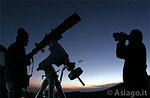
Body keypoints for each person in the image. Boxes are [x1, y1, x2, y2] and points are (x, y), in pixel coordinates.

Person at [5, 28, 31, 98]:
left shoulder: (17, 47)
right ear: (22, 38)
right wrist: (26, 60)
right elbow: (16, 63)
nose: (27, 41)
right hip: (14, 80)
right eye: (26, 39)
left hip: (14, 80)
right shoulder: (17, 47)